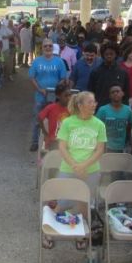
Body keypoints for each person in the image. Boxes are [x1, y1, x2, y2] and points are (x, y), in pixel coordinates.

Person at [52, 90, 107, 249]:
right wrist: (75, 165)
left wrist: (83, 166)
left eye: (94, 102)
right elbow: (62, 147)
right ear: (80, 105)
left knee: (83, 203)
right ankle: (50, 231)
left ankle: (80, 234)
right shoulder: (68, 123)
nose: (94, 105)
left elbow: (99, 150)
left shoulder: (99, 124)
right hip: (68, 168)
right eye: (90, 102)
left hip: (90, 170)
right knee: (63, 201)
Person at [29, 38, 68, 152]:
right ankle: (35, 142)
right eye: (45, 46)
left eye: (50, 46)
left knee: (55, 121)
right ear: (42, 48)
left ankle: (54, 142)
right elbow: (31, 77)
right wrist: (40, 89)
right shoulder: (37, 61)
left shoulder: (59, 61)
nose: (48, 48)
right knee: (37, 120)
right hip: (40, 97)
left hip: (55, 98)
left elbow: (63, 78)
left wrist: (56, 91)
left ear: (53, 48)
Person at [87, 43, 130, 108]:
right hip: (100, 108)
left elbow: (126, 93)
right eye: (106, 54)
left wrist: (125, 108)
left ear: (116, 55)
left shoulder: (123, 73)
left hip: (118, 108)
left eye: (111, 54)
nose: (109, 56)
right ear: (103, 55)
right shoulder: (96, 72)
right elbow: (90, 91)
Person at [96, 85, 132, 153]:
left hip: (122, 147)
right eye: (112, 92)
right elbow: (96, 128)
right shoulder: (102, 110)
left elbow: (130, 125)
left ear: (123, 93)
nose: (115, 93)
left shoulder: (128, 110)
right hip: (105, 148)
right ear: (109, 96)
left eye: (117, 91)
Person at [37, 81, 72, 151]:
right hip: (54, 142)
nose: (68, 98)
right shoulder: (51, 107)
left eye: (69, 95)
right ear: (58, 96)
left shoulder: (72, 109)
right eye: (65, 95)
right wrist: (45, 134)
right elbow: (39, 117)